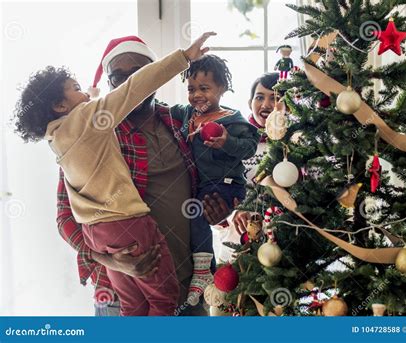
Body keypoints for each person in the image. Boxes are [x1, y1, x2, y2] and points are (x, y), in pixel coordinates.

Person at [13, 33, 215, 316]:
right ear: (110, 83)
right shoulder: (94, 130)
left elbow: (211, 180)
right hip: (118, 290)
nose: (128, 82)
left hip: (188, 284)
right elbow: (64, 219)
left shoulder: (179, 120)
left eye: (138, 73)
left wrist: (220, 204)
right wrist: (111, 261)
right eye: (117, 77)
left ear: (152, 74)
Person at [169, 55, 261, 305]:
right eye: (191, 89)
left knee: (196, 213)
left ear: (222, 89)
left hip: (228, 185)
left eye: (204, 88)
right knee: (192, 218)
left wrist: (226, 142)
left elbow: (250, 147)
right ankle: (203, 269)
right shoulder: (187, 113)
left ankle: (203, 271)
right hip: (202, 186)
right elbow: (160, 109)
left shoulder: (231, 119)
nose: (197, 94)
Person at [205, 72, 280, 262]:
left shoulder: (293, 145)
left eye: (274, 98)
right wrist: (231, 214)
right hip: (235, 240)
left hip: (281, 240)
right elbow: (217, 187)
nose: (266, 105)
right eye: (260, 97)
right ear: (250, 103)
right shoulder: (232, 141)